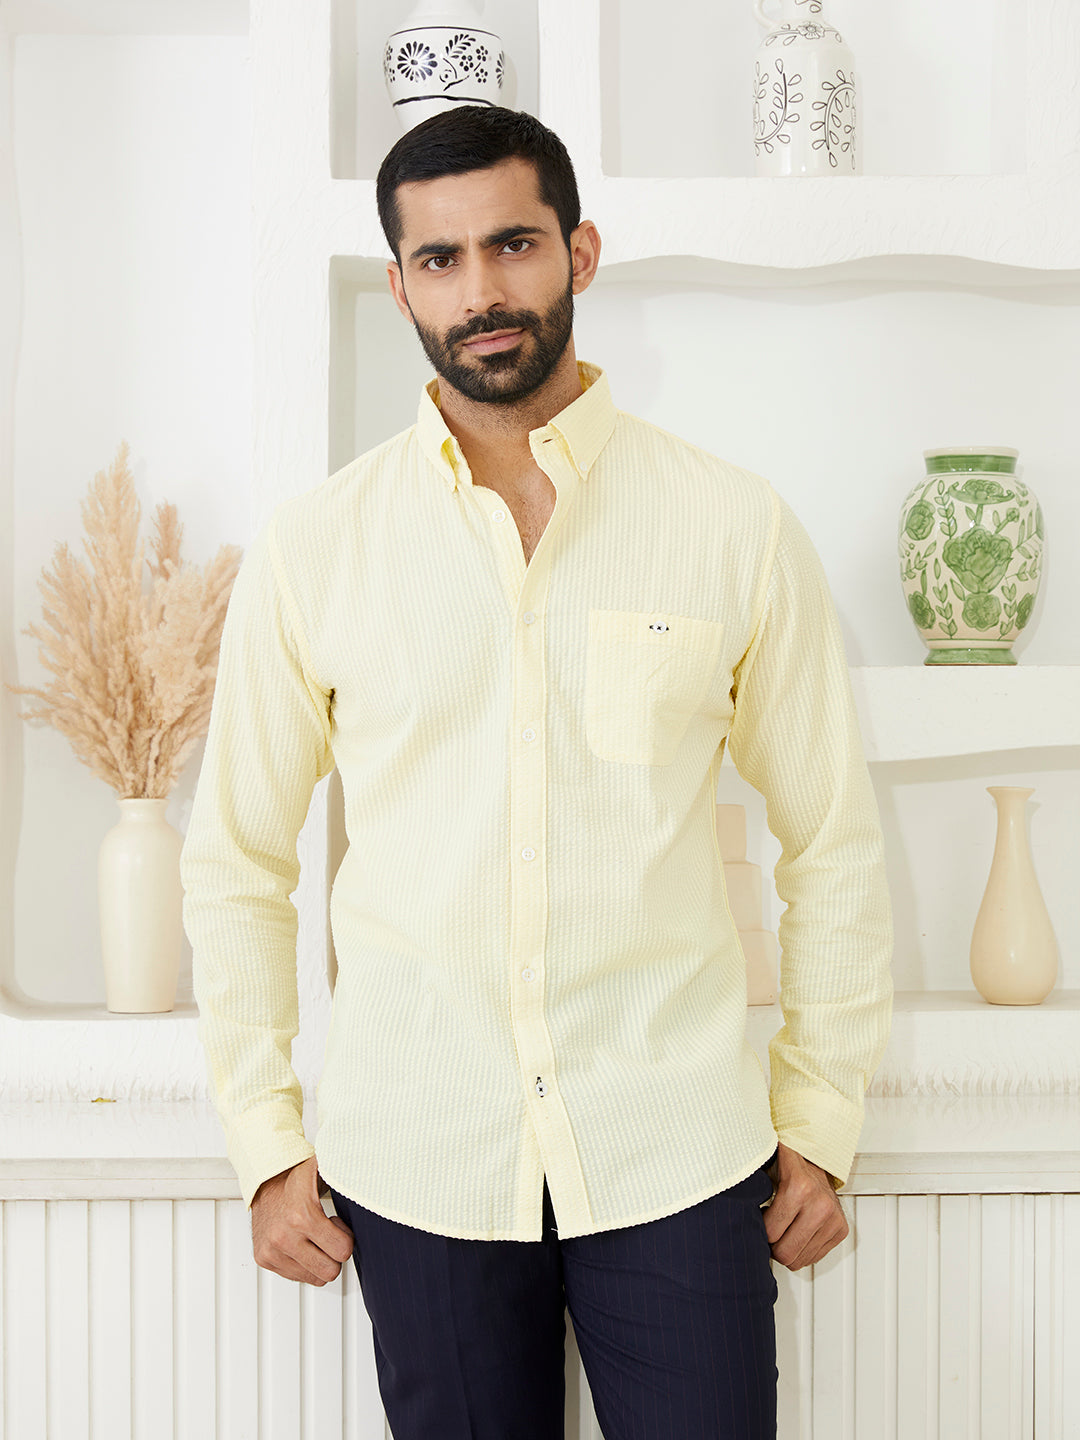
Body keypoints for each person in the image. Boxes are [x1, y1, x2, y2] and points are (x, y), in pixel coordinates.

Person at [180, 105, 893, 1439]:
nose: (482, 291)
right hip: (422, 1160)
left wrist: (821, 1113)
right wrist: (266, 1141)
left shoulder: (731, 525)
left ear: (581, 251)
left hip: (676, 1152)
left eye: (513, 244)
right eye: (440, 259)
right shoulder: (317, 548)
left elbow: (833, 840)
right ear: (400, 285)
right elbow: (238, 859)